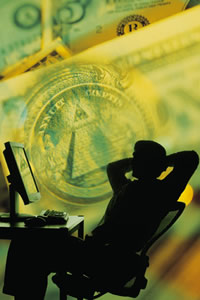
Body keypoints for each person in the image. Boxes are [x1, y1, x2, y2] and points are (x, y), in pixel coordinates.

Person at [3, 140, 199, 300]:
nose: (132, 159)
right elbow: (113, 168)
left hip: (107, 260)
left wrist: (159, 161)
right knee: (32, 244)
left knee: (28, 244)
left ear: (150, 163)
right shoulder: (128, 189)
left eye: (137, 156)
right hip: (102, 255)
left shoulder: (160, 193)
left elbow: (191, 158)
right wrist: (145, 162)